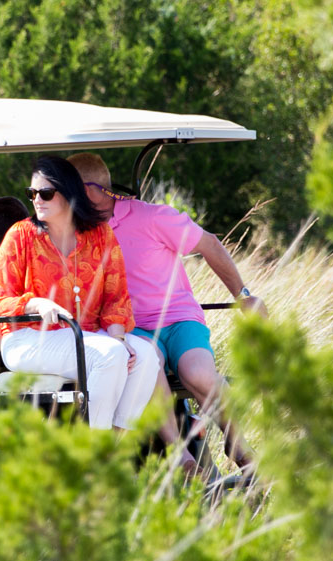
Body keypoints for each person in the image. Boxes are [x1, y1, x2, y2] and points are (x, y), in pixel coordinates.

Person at [66, 152, 260, 471]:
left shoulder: (152, 217)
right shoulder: (76, 233)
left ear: (86, 190)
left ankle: (238, 443)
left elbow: (209, 244)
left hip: (179, 320)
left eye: (67, 190)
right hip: (132, 329)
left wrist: (243, 295)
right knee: (146, 361)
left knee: (197, 373)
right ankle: (181, 456)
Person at [0, 155, 162, 432]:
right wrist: (36, 303)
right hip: (27, 338)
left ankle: (109, 448)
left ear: (69, 194)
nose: (37, 200)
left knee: (146, 357)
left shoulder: (101, 235)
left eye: (45, 192)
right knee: (108, 356)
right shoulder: (20, 236)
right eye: (32, 193)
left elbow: (116, 298)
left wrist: (119, 338)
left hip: (86, 334)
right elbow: (1, 301)